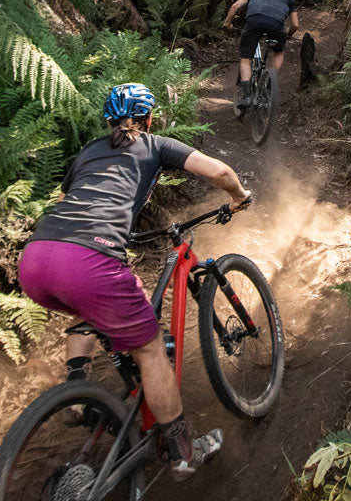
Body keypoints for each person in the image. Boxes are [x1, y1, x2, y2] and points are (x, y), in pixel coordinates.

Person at [17, 83, 252, 481]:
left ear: (109, 120)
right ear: (148, 117)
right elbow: (221, 171)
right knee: (150, 351)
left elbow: (75, 201)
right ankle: (182, 454)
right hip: (88, 261)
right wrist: (238, 197)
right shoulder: (154, 144)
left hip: (38, 258)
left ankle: (77, 392)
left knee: (87, 304)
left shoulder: (89, 151)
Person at [222, 0, 299, 117]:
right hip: (276, 25)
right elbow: (295, 24)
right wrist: (287, 35)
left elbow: (235, 6)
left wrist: (227, 24)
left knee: (245, 58)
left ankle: (247, 96)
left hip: (254, 21)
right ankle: (271, 82)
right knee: (278, 52)